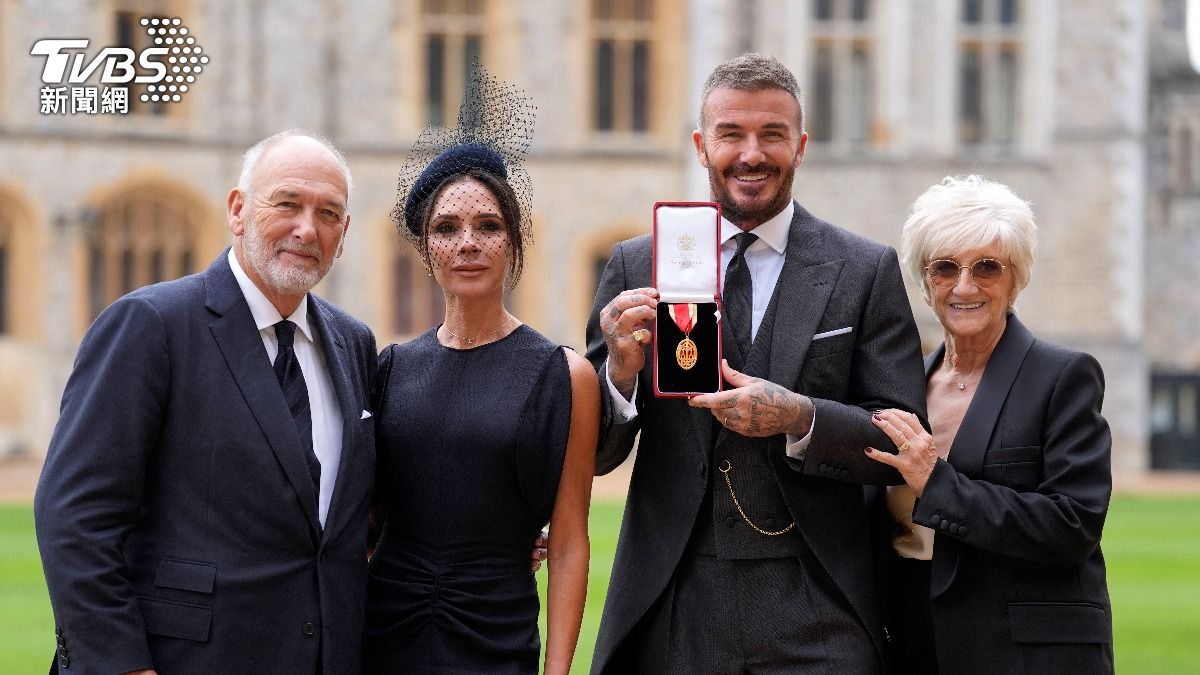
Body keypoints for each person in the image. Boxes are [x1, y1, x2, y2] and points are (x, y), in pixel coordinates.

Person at [585, 52, 928, 674]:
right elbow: (595, 453)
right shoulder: (638, 265)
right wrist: (620, 376)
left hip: (817, 600)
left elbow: (900, 436)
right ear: (700, 146)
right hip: (677, 597)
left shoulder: (864, 270)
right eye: (731, 134)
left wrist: (801, 418)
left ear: (800, 146)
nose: (751, 154)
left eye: (772, 134)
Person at [34, 130, 377, 674]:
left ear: (345, 231)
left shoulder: (353, 342)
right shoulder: (151, 325)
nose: (307, 228)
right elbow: (75, 518)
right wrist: (125, 667)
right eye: (287, 204)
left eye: (328, 213)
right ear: (238, 210)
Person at [365, 68, 598, 675]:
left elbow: (569, 543)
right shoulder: (390, 369)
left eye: (488, 226)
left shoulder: (564, 376)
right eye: (446, 228)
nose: (468, 242)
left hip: (496, 637)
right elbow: (365, 520)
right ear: (425, 250)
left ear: (514, 242)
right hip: (384, 635)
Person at [864, 175, 1114, 673]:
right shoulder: (902, 386)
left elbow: (1073, 525)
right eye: (945, 268)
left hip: (1025, 653)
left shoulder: (1063, 376)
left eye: (987, 267)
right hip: (911, 641)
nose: (964, 286)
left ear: (1015, 279)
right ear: (925, 283)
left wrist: (938, 483)